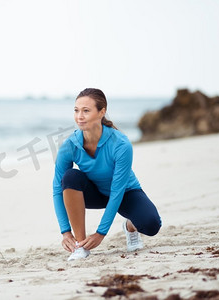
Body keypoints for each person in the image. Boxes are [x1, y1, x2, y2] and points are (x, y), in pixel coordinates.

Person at [52, 88, 161, 261]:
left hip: (125, 193)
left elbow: (117, 191)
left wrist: (100, 233)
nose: (79, 116)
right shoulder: (69, 146)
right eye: (76, 110)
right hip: (94, 193)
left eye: (86, 111)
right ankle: (80, 246)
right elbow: (58, 189)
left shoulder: (121, 144)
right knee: (70, 177)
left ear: (102, 112)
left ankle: (130, 227)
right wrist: (65, 232)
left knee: (152, 225)